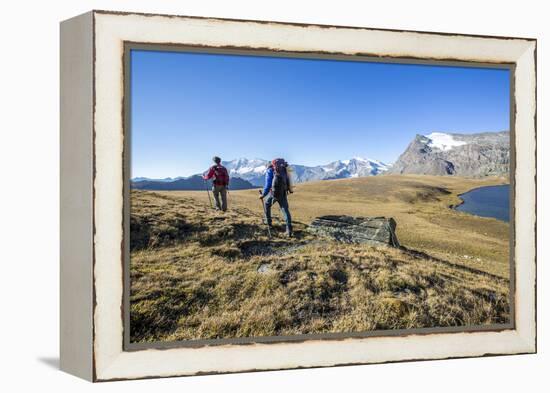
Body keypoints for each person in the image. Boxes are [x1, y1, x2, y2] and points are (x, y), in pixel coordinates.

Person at [259, 158, 293, 237]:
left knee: (267, 204)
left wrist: (263, 195)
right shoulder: (284, 169)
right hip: (283, 192)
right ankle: (289, 230)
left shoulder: (270, 170)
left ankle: (268, 222)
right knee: (285, 210)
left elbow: (268, 185)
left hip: (274, 193)